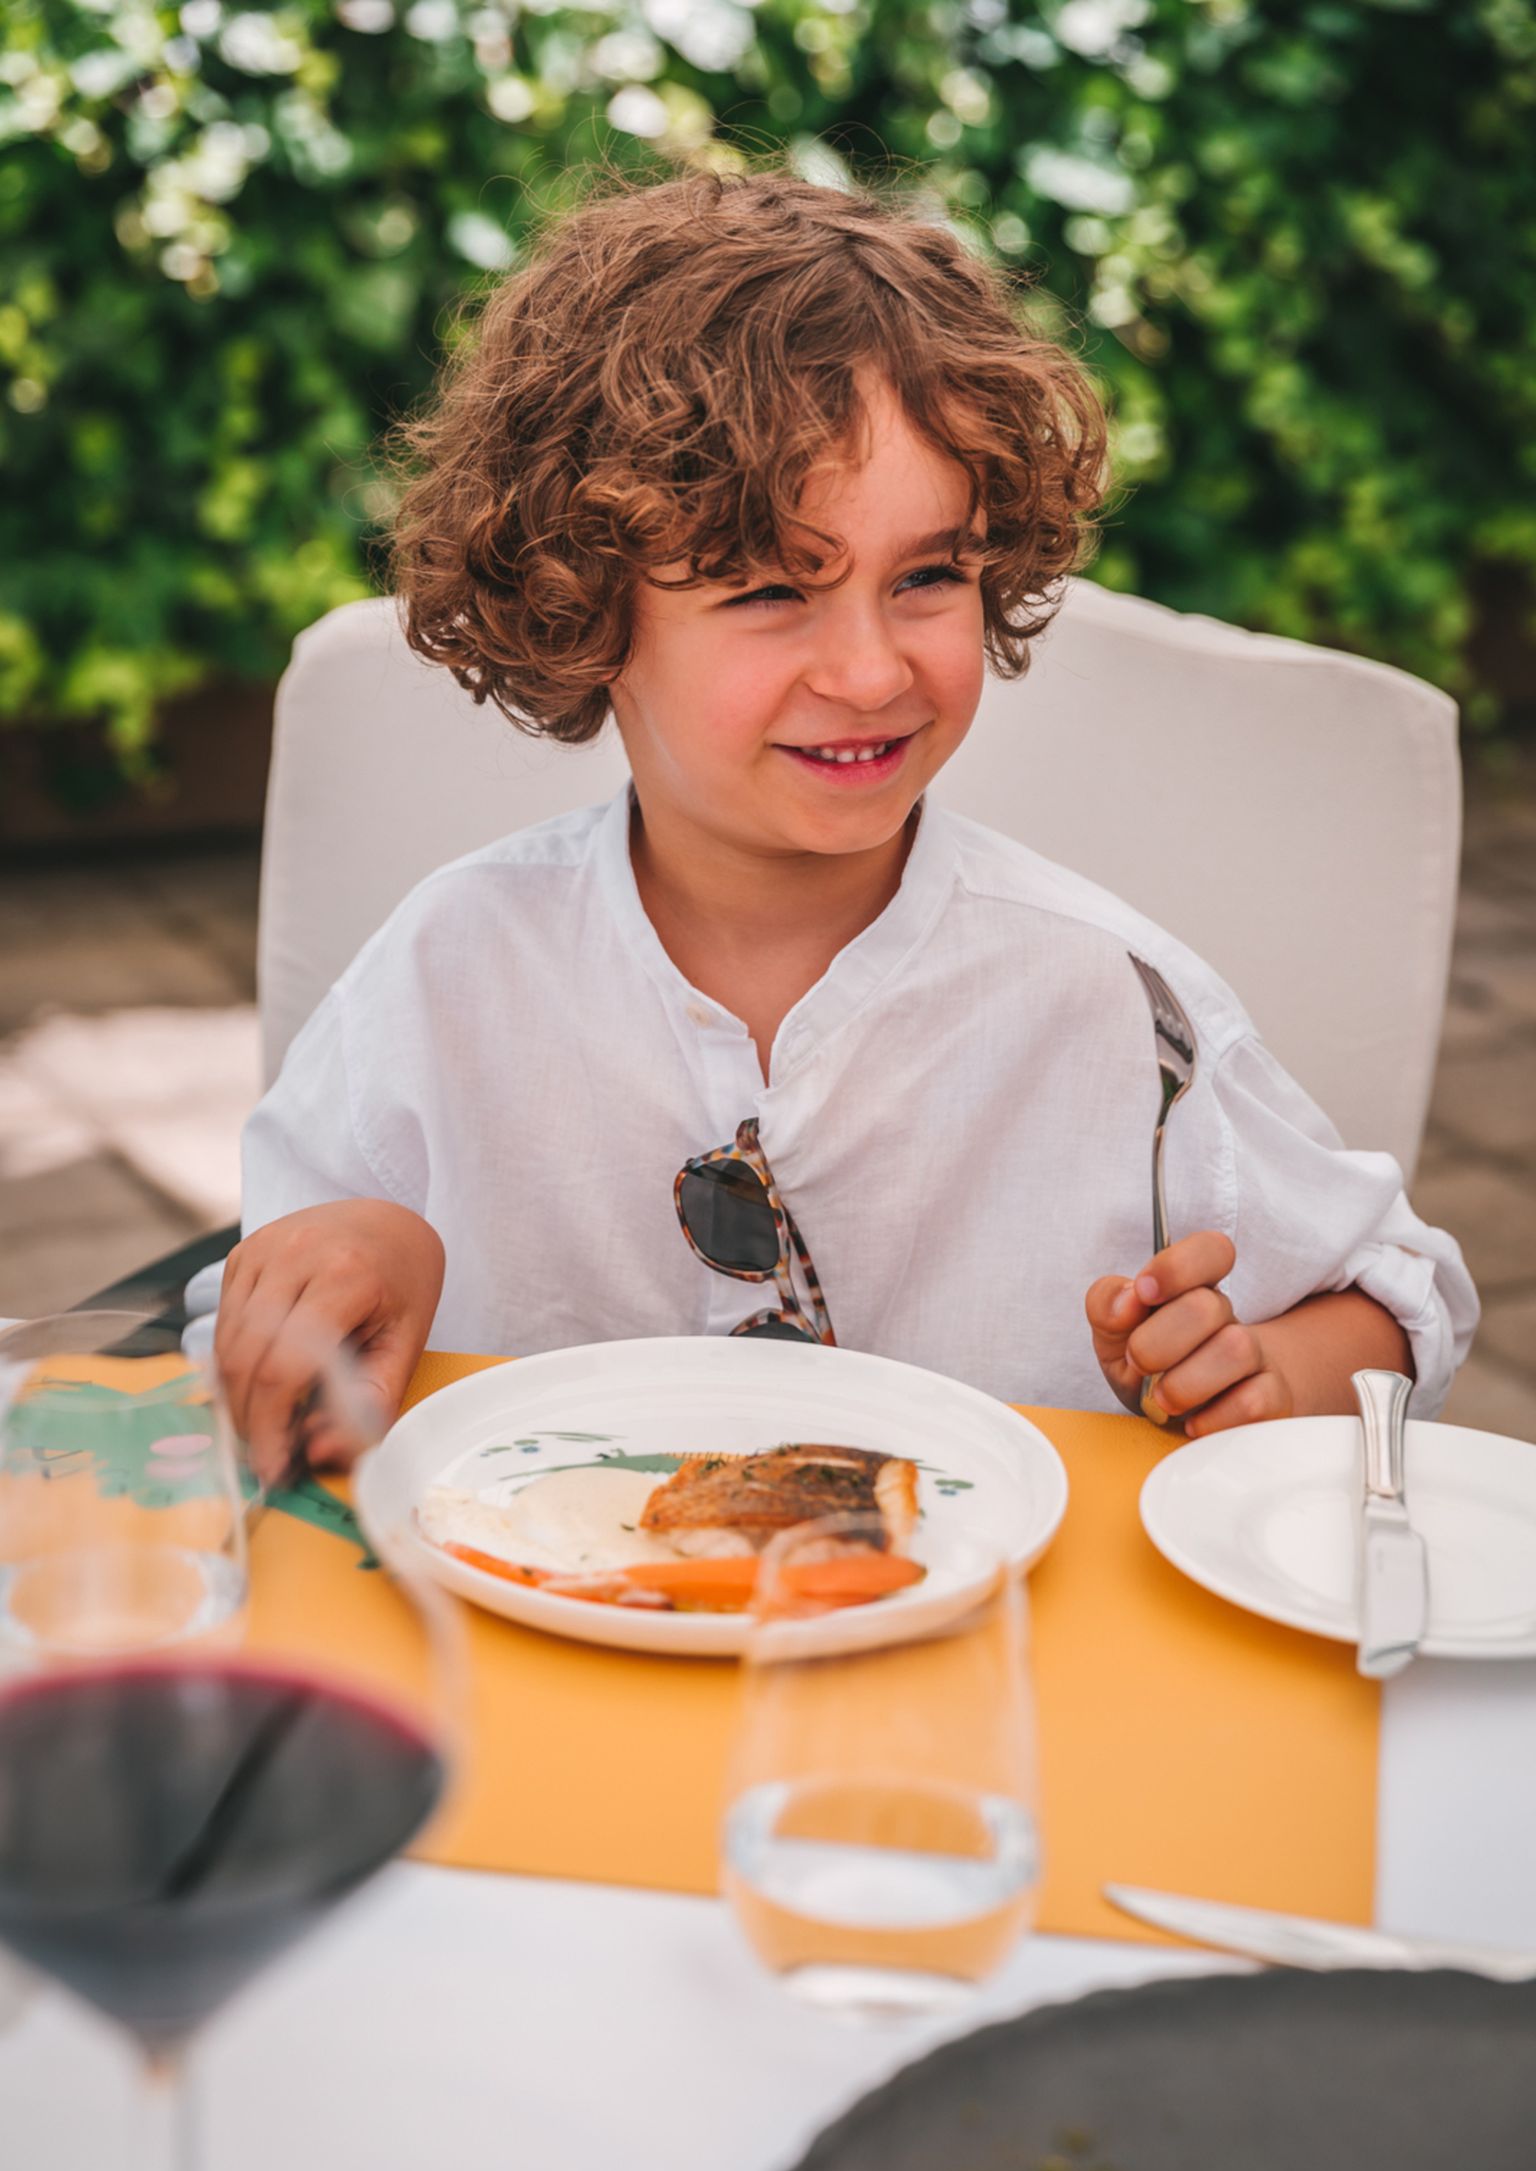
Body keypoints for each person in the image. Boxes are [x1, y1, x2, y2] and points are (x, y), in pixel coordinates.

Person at [217, 166, 1476, 1486]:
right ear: (581, 609)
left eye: (928, 574)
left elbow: (1401, 1302)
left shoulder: (1112, 1003)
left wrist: (1269, 1375)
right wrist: (360, 1254)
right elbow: (254, 1345)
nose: (873, 672)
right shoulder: (449, 970)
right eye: (772, 590)